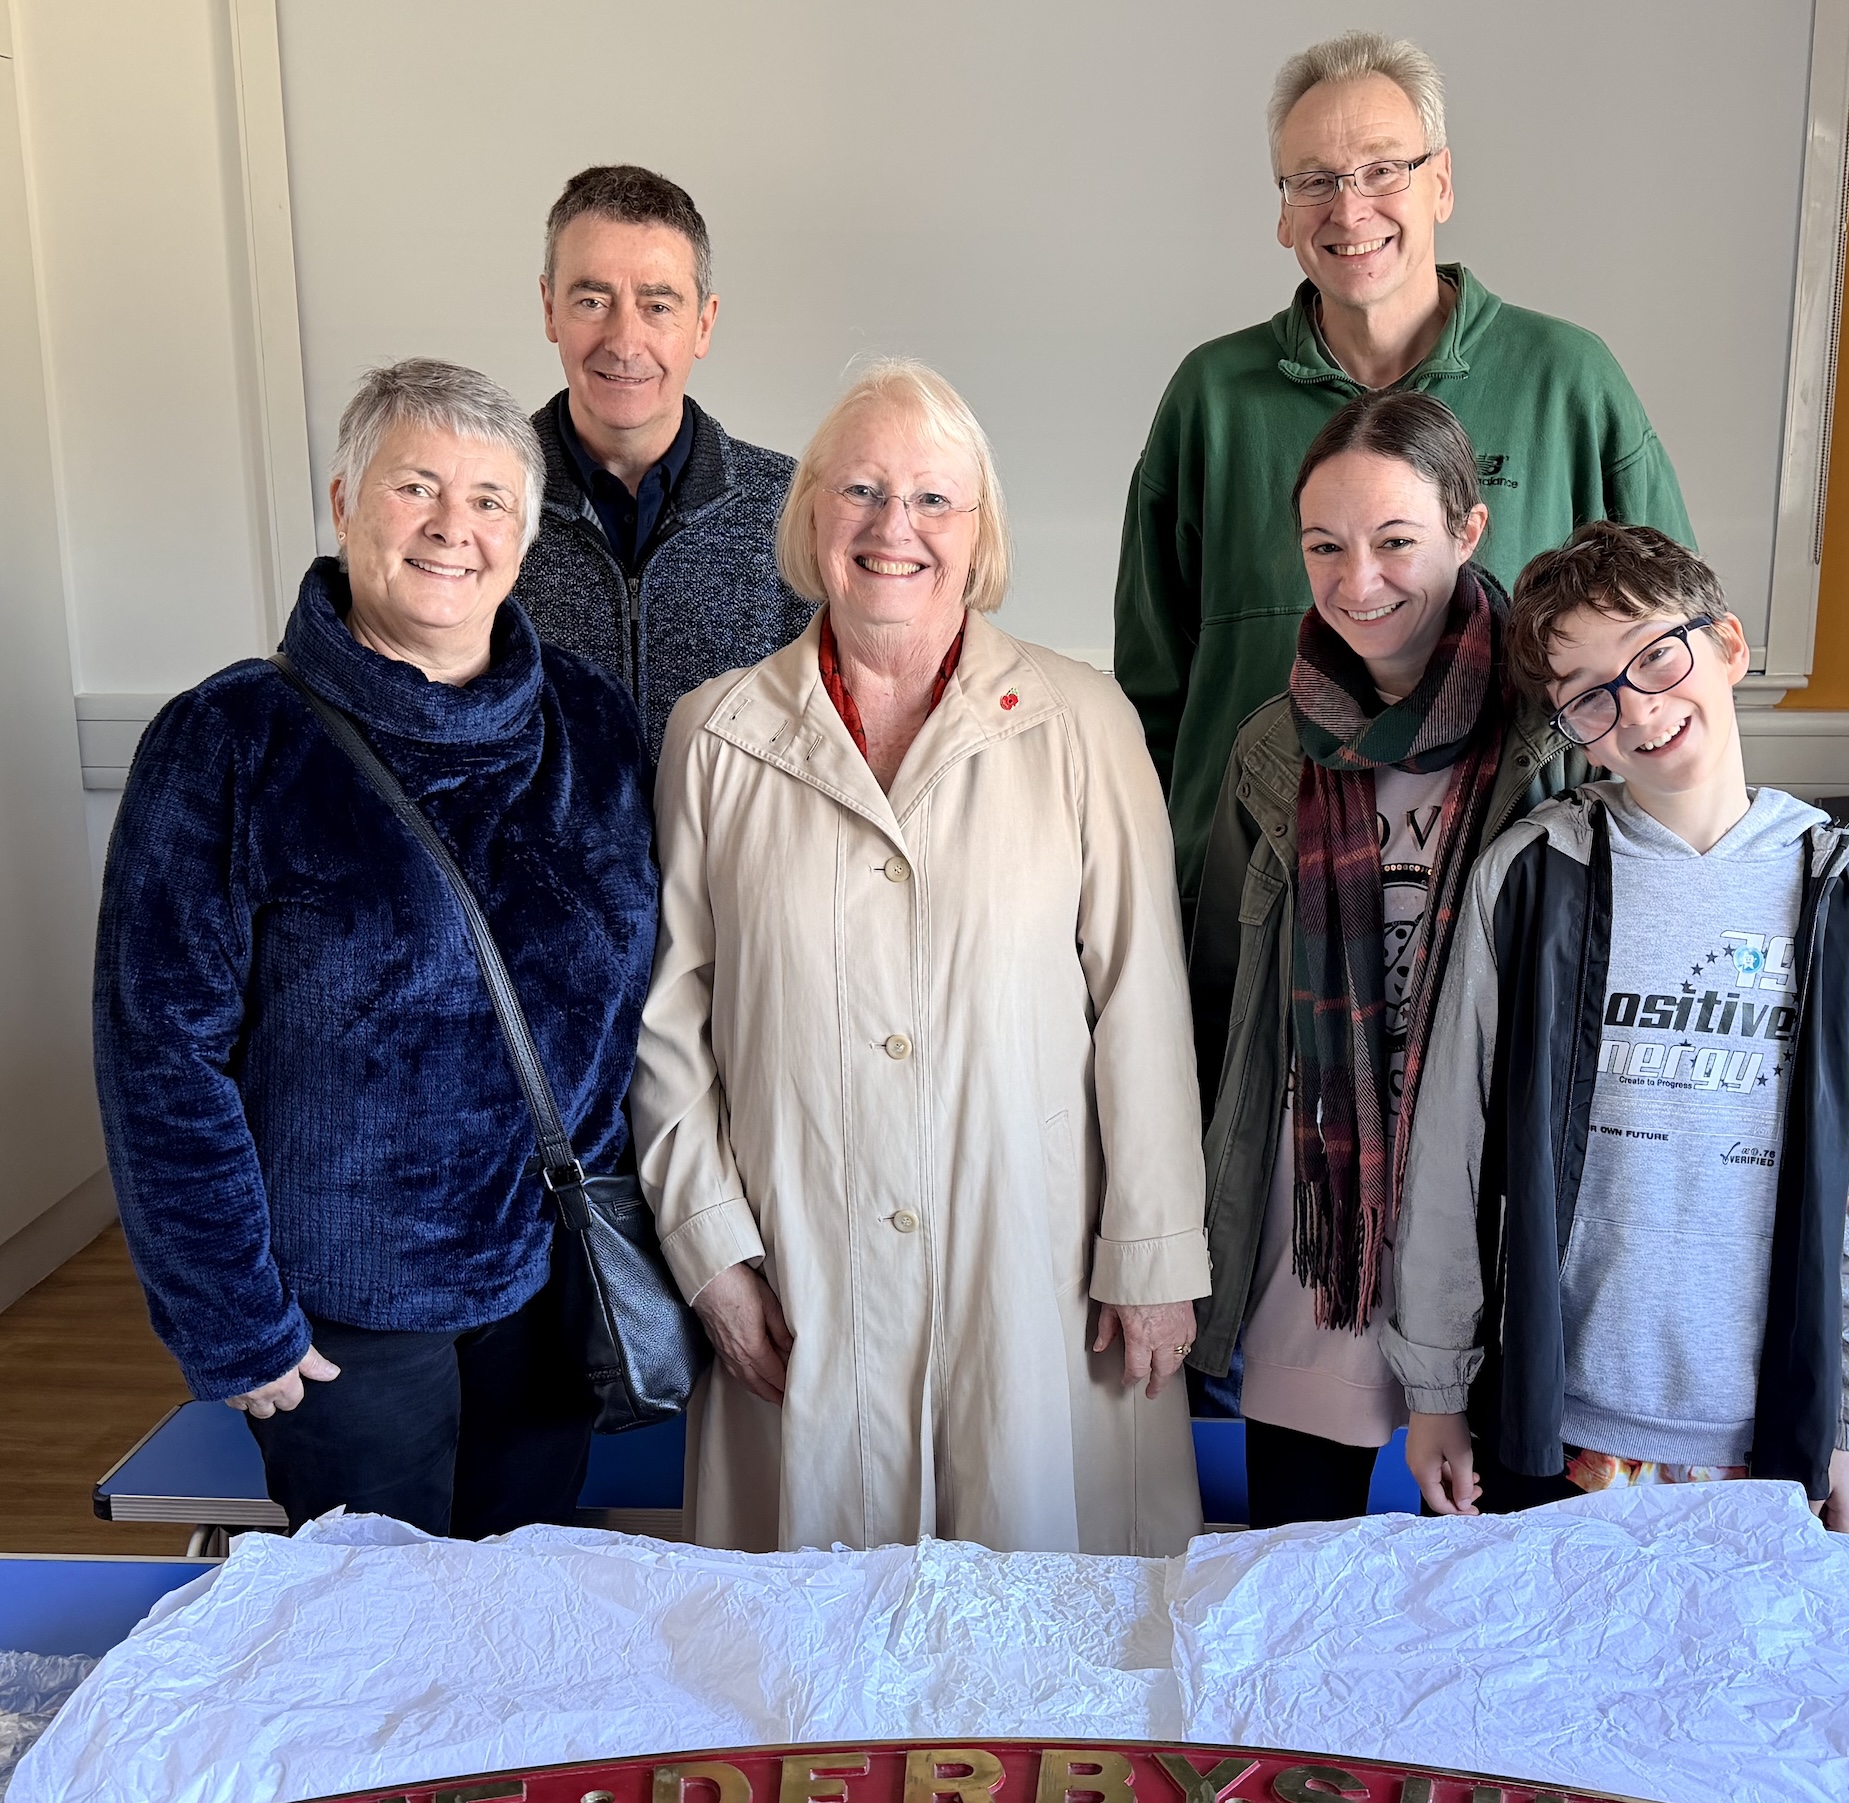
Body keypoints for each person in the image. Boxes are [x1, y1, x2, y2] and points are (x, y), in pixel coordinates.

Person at [630, 359, 1209, 1554]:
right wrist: (711, 1255)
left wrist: (1152, 1255)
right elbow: (666, 1028)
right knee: (813, 1671)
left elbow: (1143, 1002)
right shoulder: (714, 734)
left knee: (1044, 1654)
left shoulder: (1084, 721)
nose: (895, 527)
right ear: (807, 520)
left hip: (1036, 1271)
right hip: (797, 1272)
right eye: (860, 492)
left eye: (934, 499)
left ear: (979, 529)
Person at [94, 360, 660, 1539]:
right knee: (371, 1645)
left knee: (518, 1601)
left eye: (492, 499)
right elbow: (158, 1057)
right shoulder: (230, 740)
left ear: (526, 533)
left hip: (548, 1281)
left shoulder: (594, 726)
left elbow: (630, 1008)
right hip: (335, 1315)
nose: (456, 528)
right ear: (347, 503)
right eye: (417, 487)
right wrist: (233, 1318)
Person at [1384, 522, 1849, 1532]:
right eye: (1588, 695)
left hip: (1759, 1428)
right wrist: (1435, 1388)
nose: (1638, 707)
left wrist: (1845, 1414)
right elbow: (1449, 1151)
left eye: (1656, 655)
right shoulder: (1531, 881)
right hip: (1559, 1416)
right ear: (1567, 722)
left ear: (1728, 646)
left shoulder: (1845, 897)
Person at [1115, 30, 1692, 918]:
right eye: (1314, 180)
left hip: (1518, 913)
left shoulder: (1569, 381)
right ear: (1282, 210)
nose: (1349, 211)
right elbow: (1152, 690)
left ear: (1443, 184)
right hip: (1265, 916)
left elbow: (1673, 664)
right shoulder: (1210, 399)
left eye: (1384, 169)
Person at [1189, 392, 1595, 1528]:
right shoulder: (1273, 744)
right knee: (1295, 1562)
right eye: (1324, 546)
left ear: (1467, 530)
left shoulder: (1551, 732)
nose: (1355, 579)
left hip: (1492, 1213)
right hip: (1315, 1216)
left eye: (1394, 541)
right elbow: (1226, 989)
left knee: (1489, 1566)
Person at [512, 165, 815, 763]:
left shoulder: (795, 506)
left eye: (658, 305)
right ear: (550, 308)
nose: (624, 342)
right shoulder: (477, 505)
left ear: (703, 323)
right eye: (592, 300)